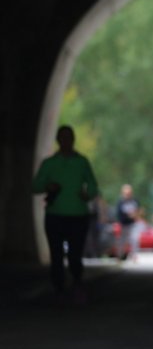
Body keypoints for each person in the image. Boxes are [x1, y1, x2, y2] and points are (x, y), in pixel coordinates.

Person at [32, 125, 99, 304]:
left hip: (78, 215)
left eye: (69, 137)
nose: (66, 141)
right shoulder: (49, 164)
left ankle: (77, 283)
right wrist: (48, 186)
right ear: (58, 140)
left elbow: (93, 185)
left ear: (73, 140)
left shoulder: (82, 162)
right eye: (63, 138)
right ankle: (59, 288)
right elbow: (35, 186)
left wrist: (88, 193)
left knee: (75, 254)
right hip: (55, 214)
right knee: (56, 254)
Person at [115, 184, 140, 260]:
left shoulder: (135, 201)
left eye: (129, 193)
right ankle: (120, 255)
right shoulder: (120, 202)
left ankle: (134, 255)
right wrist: (128, 215)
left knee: (134, 239)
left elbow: (139, 210)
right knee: (122, 241)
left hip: (133, 223)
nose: (127, 195)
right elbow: (118, 214)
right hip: (124, 224)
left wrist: (135, 215)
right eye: (126, 193)